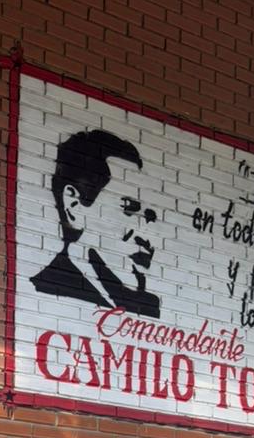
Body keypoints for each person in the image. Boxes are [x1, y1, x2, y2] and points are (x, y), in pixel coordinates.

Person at [31, 128, 161, 318]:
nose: (144, 231)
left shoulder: (149, 304)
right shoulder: (46, 288)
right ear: (74, 205)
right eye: (128, 209)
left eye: (149, 216)